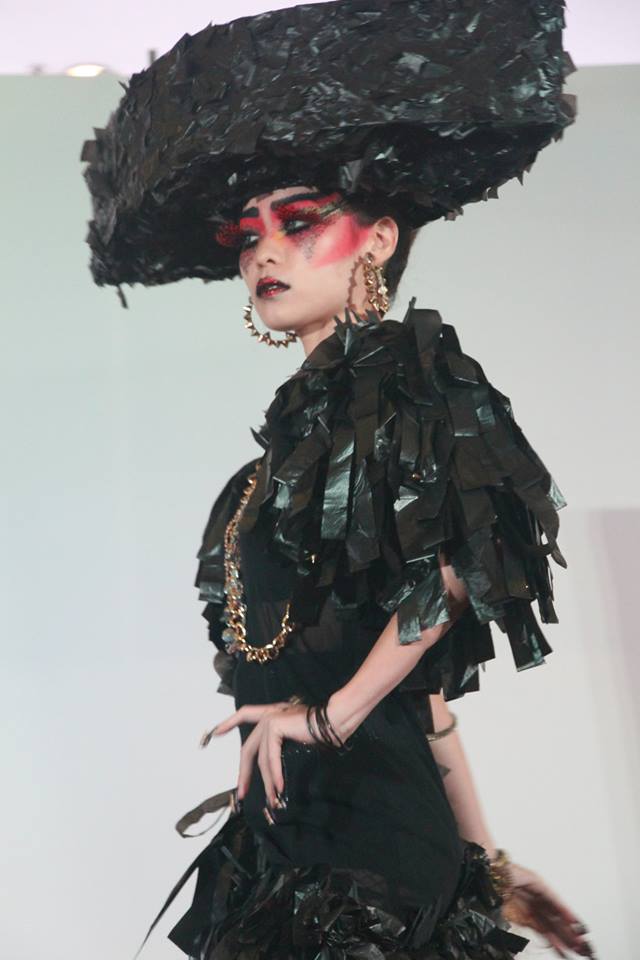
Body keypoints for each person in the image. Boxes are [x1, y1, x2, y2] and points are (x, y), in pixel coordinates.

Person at [79, 2, 592, 957]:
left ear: (380, 238)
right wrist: (490, 865)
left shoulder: (414, 387)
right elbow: (427, 705)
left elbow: (457, 565)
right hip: (283, 844)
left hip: (369, 854)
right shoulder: (256, 481)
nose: (265, 251)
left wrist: (330, 717)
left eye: (301, 221)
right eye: (248, 234)